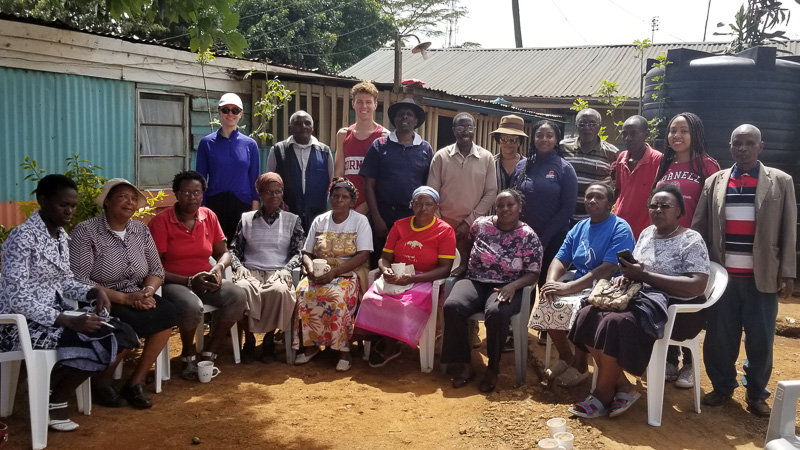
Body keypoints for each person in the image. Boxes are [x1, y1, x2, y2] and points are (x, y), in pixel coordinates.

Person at [568, 184, 709, 418]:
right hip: (641, 297)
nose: (658, 210)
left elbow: (697, 284)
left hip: (677, 309)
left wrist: (643, 276)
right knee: (587, 314)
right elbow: (641, 270)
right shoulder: (646, 233)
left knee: (613, 323)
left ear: (679, 211)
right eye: (654, 205)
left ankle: (602, 393)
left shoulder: (691, 240)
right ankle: (623, 386)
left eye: (665, 206)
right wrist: (627, 276)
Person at [0, 174, 120, 431]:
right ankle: (56, 399)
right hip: (19, 326)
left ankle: (54, 395)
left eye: (73, 205)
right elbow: (17, 297)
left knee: (116, 332)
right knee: (92, 337)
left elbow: (65, 282)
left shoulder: (61, 237)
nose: (69, 210)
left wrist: (94, 291)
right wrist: (66, 319)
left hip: (53, 316)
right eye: (62, 205)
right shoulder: (22, 238)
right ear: (43, 201)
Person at [693, 124, 796, 417]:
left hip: (762, 278)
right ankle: (722, 387)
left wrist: (787, 271)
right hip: (723, 279)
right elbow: (699, 228)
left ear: (760, 146)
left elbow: (789, 230)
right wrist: (699, 270)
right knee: (718, 337)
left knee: (760, 339)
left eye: (750, 143)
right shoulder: (714, 181)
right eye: (737, 143)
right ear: (730, 146)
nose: (743, 148)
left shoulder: (780, 181)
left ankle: (756, 393)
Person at [69, 178, 177, 409]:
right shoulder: (86, 231)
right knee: (128, 321)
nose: (129, 202)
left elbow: (157, 270)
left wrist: (147, 292)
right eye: (122, 196)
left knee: (167, 312)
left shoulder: (140, 230)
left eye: (132, 198)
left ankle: (135, 381)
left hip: (138, 294)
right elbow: (80, 279)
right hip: (101, 298)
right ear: (107, 201)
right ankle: (102, 380)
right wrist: (126, 299)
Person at [529, 183, 634, 387]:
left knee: (582, 307)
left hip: (609, 286)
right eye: (588, 197)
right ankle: (566, 357)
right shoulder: (580, 227)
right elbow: (560, 259)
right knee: (548, 300)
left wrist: (569, 287)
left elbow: (609, 268)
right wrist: (551, 282)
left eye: (599, 197)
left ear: (610, 204)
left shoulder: (620, 228)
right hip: (581, 282)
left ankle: (580, 365)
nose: (592, 201)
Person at [147, 171, 247, 380]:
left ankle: (210, 349)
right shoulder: (162, 222)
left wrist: (218, 268)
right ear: (176, 193)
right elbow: (154, 267)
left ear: (203, 194)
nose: (191, 198)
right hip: (174, 282)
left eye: (197, 193)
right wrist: (189, 281)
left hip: (206, 279)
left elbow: (224, 252)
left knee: (238, 295)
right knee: (191, 306)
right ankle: (188, 353)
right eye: (185, 192)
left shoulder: (208, 216)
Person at [442, 189, 542, 392]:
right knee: (453, 306)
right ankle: (465, 365)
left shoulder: (528, 236)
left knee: (497, 312)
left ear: (519, 207)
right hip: (475, 279)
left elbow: (533, 272)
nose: (504, 209)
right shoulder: (481, 225)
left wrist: (513, 286)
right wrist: (462, 264)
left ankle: (493, 368)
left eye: (510, 205)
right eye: (500, 205)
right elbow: (466, 241)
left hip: (507, 285)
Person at [653, 112, 720, 388]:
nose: (676, 136)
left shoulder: (706, 165)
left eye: (683, 131)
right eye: (672, 131)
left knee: (690, 304)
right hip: (666, 244)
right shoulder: (665, 164)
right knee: (664, 297)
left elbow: (716, 209)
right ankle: (669, 358)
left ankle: (691, 365)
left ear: (695, 134)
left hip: (694, 247)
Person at [355, 186, 456, 367]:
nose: (423, 208)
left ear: (436, 207)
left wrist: (412, 279)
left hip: (424, 279)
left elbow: (445, 269)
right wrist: (386, 270)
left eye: (428, 204)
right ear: (411, 205)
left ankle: (393, 342)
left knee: (404, 304)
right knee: (371, 298)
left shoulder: (445, 230)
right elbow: (384, 258)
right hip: (397, 275)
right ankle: (390, 343)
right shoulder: (399, 225)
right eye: (418, 203)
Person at [293, 178, 372, 372]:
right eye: (335, 196)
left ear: (352, 202)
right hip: (320, 272)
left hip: (349, 272)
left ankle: (344, 349)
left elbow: (363, 255)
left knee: (336, 297)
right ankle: (311, 346)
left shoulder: (360, 221)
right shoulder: (320, 220)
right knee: (303, 293)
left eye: (344, 197)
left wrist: (335, 273)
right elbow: (307, 252)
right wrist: (311, 269)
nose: (339, 200)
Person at [229, 173, 304, 364]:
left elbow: (299, 252)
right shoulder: (246, 219)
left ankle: (269, 339)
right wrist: (238, 267)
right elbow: (233, 250)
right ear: (260, 193)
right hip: (250, 270)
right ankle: (250, 339)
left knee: (279, 292)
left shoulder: (292, 220)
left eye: (278, 192)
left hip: (278, 271)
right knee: (241, 291)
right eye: (268, 192)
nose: (274, 196)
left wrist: (287, 270)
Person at [360, 98, 434, 268]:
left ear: (416, 121)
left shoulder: (425, 149)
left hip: (411, 217)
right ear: (394, 119)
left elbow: (427, 186)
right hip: (383, 216)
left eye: (410, 115)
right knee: (379, 262)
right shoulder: (380, 145)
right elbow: (368, 185)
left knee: (408, 261)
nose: (405, 118)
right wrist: (377, 218)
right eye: (401, 114)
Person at [512, 120, 577, 286]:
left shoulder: (565, 168)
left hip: (553, 238)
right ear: (533, 138)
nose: (544, 139)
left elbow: (568, 208)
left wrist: (544, 239)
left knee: (544, 284)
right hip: (522, 236)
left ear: (556, 139)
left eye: (549, 135)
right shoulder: (522, 166)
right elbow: (513, 199)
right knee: (518, 281)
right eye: (539, 135)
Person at [196, 93, 260, 242]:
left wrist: (254, 211)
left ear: (240, 114)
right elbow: (200, 179)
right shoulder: (206, 143)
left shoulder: (250, 144)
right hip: (214, 204)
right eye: (225, 110)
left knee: (240, 250)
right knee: (214, 249)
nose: (230, 114)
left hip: (242, 204)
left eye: (235, 110)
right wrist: (201, 209)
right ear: (219, 112)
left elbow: (254, 180)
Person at [267, 110, 334, 233]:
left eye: (307, 123)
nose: (303, 127)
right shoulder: (278, 151)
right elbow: (269, 183)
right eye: (298, 123)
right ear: (290, 128)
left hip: (316, 216)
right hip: (286, 216)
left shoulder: (324, 152)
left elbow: (330, 183)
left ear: (313, 128)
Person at [334, 81, 390, 215]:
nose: (364, 106)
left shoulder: (384, 137)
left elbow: (385, 180)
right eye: (359, 102)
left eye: (368, 102)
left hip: (374, 210)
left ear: (375, 105)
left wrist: (366, 207)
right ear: (353, 104)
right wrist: (342, 203)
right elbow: (338, 174)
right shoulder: (343, 135)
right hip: (346, 209)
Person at [559, 108, 618, 225]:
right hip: (565, 217)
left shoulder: (611, 153)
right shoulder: (563, 147)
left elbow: (617, 186)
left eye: (592, 124)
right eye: (582, 124)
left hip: (595, 219)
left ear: (599, 126)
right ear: (576, 126)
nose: (587, 128)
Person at [612, 115, 663, 239]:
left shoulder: (658, 160)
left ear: (646, 134)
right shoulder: (621, 158)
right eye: (624, 134)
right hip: (620, 225)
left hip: (644, 229)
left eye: (633, 133)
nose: (628, 138)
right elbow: (619, 190)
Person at [490, 115, 528, 194]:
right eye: (503, 138)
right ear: (498, 141)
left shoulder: (528, 165)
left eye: (513, 139)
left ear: (519, 142)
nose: (508, 142)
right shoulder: (491, 163)